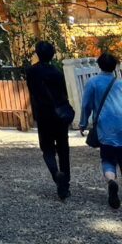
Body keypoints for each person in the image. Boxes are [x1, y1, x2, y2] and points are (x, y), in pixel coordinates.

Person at [25, 41, 72, 200]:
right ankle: (65, 185)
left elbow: (32, 92)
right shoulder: (57, 72)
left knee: (47, 149)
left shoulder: (31, 72)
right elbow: (63, 93)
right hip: (59, 115)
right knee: (63, 149)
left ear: (38, 54)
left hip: (43, 114)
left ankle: (55, 173)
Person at [80, 52, 122, 210]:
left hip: (105, 127)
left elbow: (86, 105)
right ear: (114, 66)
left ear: (99, 65)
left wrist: (83, 123)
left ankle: (112, 181)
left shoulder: (93, 82)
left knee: (108, 158)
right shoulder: (119, 83)